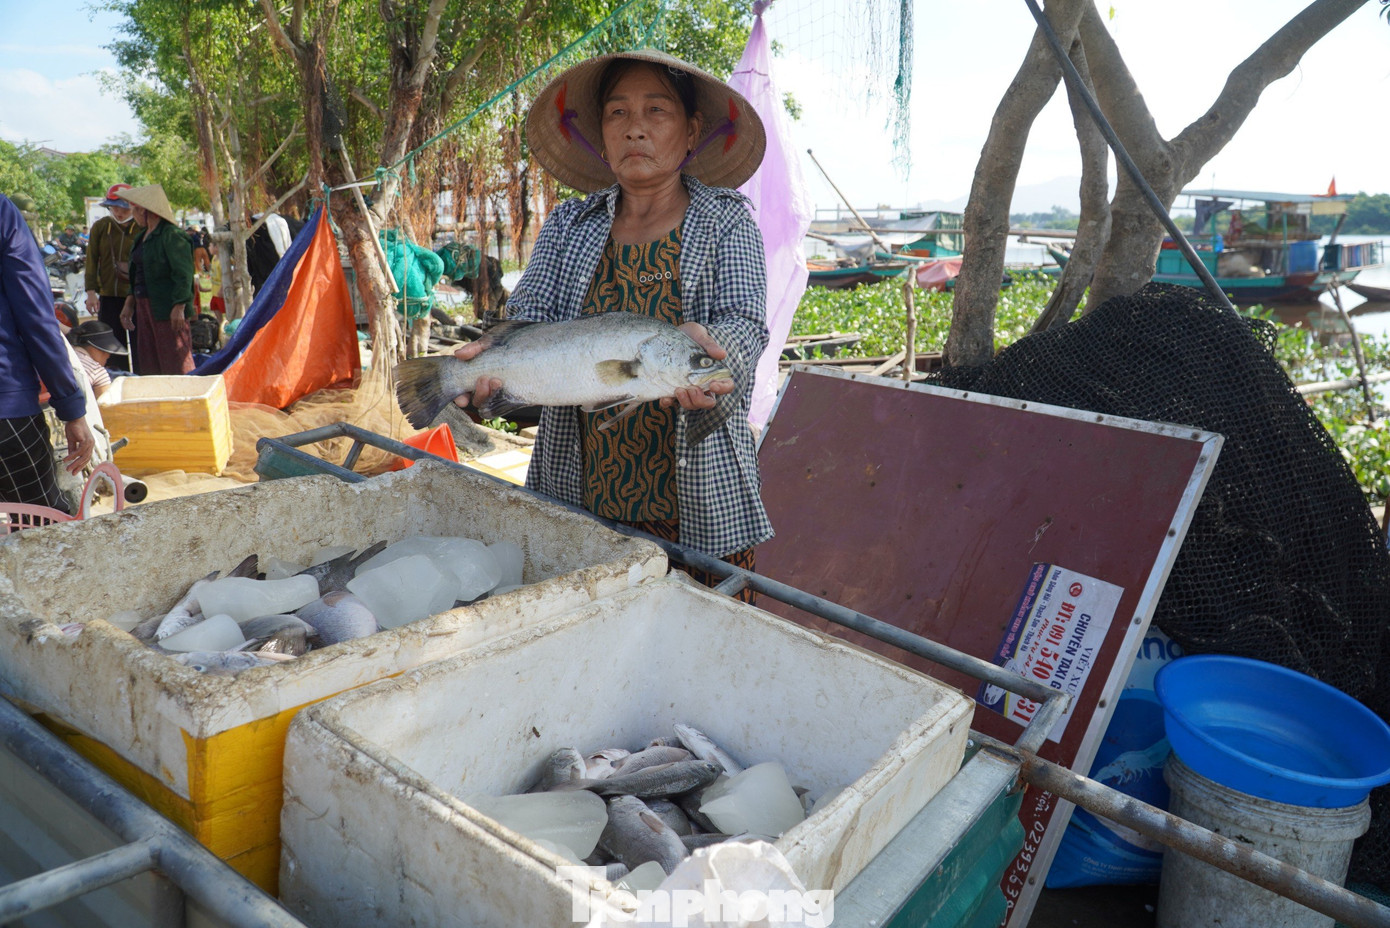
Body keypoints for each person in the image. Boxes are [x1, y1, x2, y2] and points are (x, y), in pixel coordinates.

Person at [454, 50, 772, 593]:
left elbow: (745, 320)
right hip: (578, 489)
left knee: (700, 646)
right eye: (618, 114)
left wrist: (709, 354)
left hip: (699, 492)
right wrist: (492, 366)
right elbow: (531, 319)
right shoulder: (568, 224)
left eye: (657, 111)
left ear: (692, 131)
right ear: (601, 138)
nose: (636, 129)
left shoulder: (726, 218)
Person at [0, 193, 95, 513]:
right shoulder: (3, 212)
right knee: (44, 532)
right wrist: (71, 408)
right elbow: (36, 318)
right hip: (6, 408)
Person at [119, 184, 194, 375]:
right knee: (149, 360)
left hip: (166, 307)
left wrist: (179, 306)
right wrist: (129, 303)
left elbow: (183, 274)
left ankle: (184, 400)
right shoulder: (141, 237)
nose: (132, 214)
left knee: (175, 359)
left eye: (134, 209)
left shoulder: (172, 236)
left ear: (144, 210)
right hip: (144, 306)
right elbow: (137, 274)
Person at [84, 183, 138, 369]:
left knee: (140, 346)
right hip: (108, 295)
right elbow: (91, 260)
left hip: (136, 296)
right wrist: (91, 292)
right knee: (112, 347)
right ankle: (117, 381)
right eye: (114, 207)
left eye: (123, 207)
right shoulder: (101, 226)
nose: (118, 212)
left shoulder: (141, 226)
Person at [67, 321, 127, 400]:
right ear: (96, 347)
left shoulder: (62, 354)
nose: (108, 355)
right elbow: (104, 407)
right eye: (106, 351)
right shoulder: (97, 370)